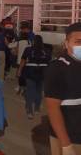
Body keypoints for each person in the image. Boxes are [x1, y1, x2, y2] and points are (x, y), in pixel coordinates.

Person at [45, 23, 81, 155]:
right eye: (78, 42)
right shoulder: (57, 68)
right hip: (71, 138)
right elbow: (53, 108)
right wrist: (66, 145)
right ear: (66, 43)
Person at [17, 35, 51, 119]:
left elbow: (23, 60)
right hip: (43, 73)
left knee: (30, 92)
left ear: (33, 41)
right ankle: (37, 108)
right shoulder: (47, 50)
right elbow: (49, 62)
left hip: (30, 72)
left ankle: (29, 111)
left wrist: (19, 70)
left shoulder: (28, 49)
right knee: (39, 91)